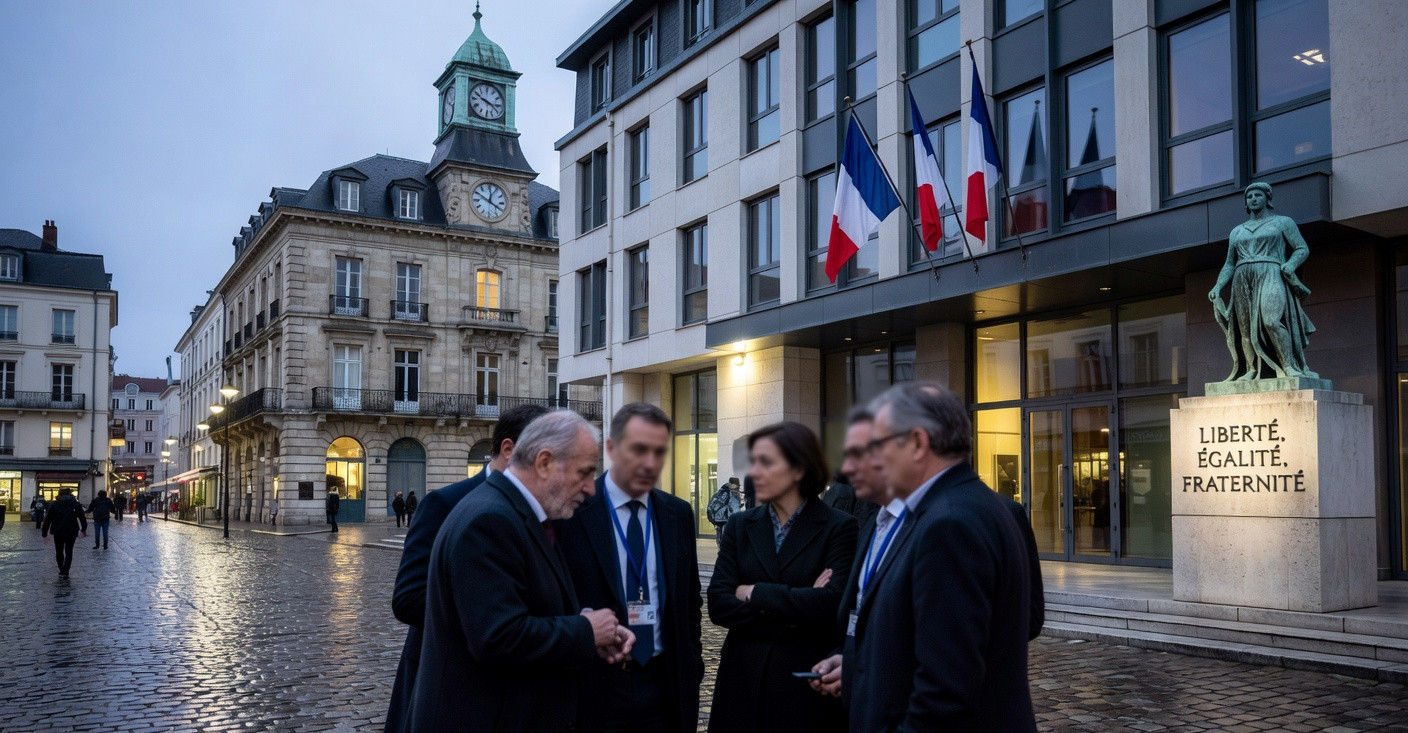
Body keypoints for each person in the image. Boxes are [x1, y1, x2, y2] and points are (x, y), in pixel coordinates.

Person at [406, 410, 634, 732]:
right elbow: (497, 637)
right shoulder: (490, 520)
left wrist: (587, 626)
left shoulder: (520, 514)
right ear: (543, 463)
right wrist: (585, 631)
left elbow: (525, 603)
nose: (590, 489)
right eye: (583, 473)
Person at [840, 383, 1036, 731]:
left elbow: (944, 691)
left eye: (880, 445)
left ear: (917, 443)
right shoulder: (972, 504)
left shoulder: (948, 523)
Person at [385, 403, 550, 733]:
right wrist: (494, 618)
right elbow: (408, 598)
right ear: (508, 450)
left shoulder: (550, 505)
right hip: (448, 680)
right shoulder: (446, 502)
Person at [557, 403, 704, 733]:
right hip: (596, 685)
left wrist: (692, 664)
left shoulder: (677, 514)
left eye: (659, 451)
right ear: (611, 448)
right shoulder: (573, 509)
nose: (650, 463)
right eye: (639, 449)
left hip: (664, 684)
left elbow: (690, 600)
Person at [706, 422, 857, 733]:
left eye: (767, 462)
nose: (754, 472)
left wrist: (753, 592)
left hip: (803, 687)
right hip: (742, 682)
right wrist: (800, 602)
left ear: (799, 469)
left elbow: (830, 604)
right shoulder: (740, 525)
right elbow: (718, 604)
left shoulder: (839, 527)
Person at [1209, 181, 1318, 381]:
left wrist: (1291, 265)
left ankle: (1289, 366)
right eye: (1249, 197)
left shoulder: (1283, 222)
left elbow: (1302, 248)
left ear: (1268, 199)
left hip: (1271, 271)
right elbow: (1229, 264)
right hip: (1242, 277)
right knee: (1244, 328)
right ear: (1246, 203)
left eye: (1258, 195)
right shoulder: (1237, 231)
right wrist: (1218, 285)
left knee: (1271, 321)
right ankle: (1250, 369)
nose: (1253, 199)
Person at [41, 487, 87, 577]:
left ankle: (61, 569)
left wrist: (44, 532)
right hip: (72, 531)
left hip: (58, 531)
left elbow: (48, 519)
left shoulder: (54, 504)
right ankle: (66, 570)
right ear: (70, 494)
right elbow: (82, 518)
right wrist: (83, 529)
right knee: (69, 551)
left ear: (59, 494)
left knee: (59, 551)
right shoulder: (76, 504)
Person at [706, 476, 741, 545]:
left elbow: (711, 506)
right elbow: (735, 509)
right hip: (726, 520)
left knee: (721, 539)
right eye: (736, 485)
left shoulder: (720, 491)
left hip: (718, 520)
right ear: (731, 484)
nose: (737, 488)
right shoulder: (732, 493)